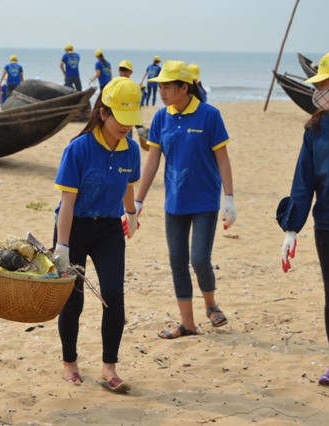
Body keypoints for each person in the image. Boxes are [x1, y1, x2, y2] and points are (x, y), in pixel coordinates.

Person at [53, 77, 143, 393]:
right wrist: (61, 246)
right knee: (72, 301)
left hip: (107, 229)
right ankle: (70, 363)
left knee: (113, 297)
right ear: (103, 113)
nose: (127, 127)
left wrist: (131, 214)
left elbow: (129, 185)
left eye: (132, 121)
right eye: (121, 118)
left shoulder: (131, 150)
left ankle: (108, 367)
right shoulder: (78, 149)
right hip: (73, 227)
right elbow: (67, 203)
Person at [134, 60, 236, 339]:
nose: (162, 92)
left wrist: (229, 197)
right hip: (174, 203)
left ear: (184, 87)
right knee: (177, 261)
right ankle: (187, 324)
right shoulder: (160, 118)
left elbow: (223, 159)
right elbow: (152, 162)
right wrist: (137, 204)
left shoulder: (209, 115)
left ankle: (211, 305)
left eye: (167, 86)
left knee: (200, 259)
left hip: (205, 201)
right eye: (160, 87)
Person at [276, 49, 329, 386]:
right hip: (328, 226)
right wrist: (291, 229)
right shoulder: (315, 128)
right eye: (319, 83)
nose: (319, 90)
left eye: (325, 83)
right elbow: (303, 181)